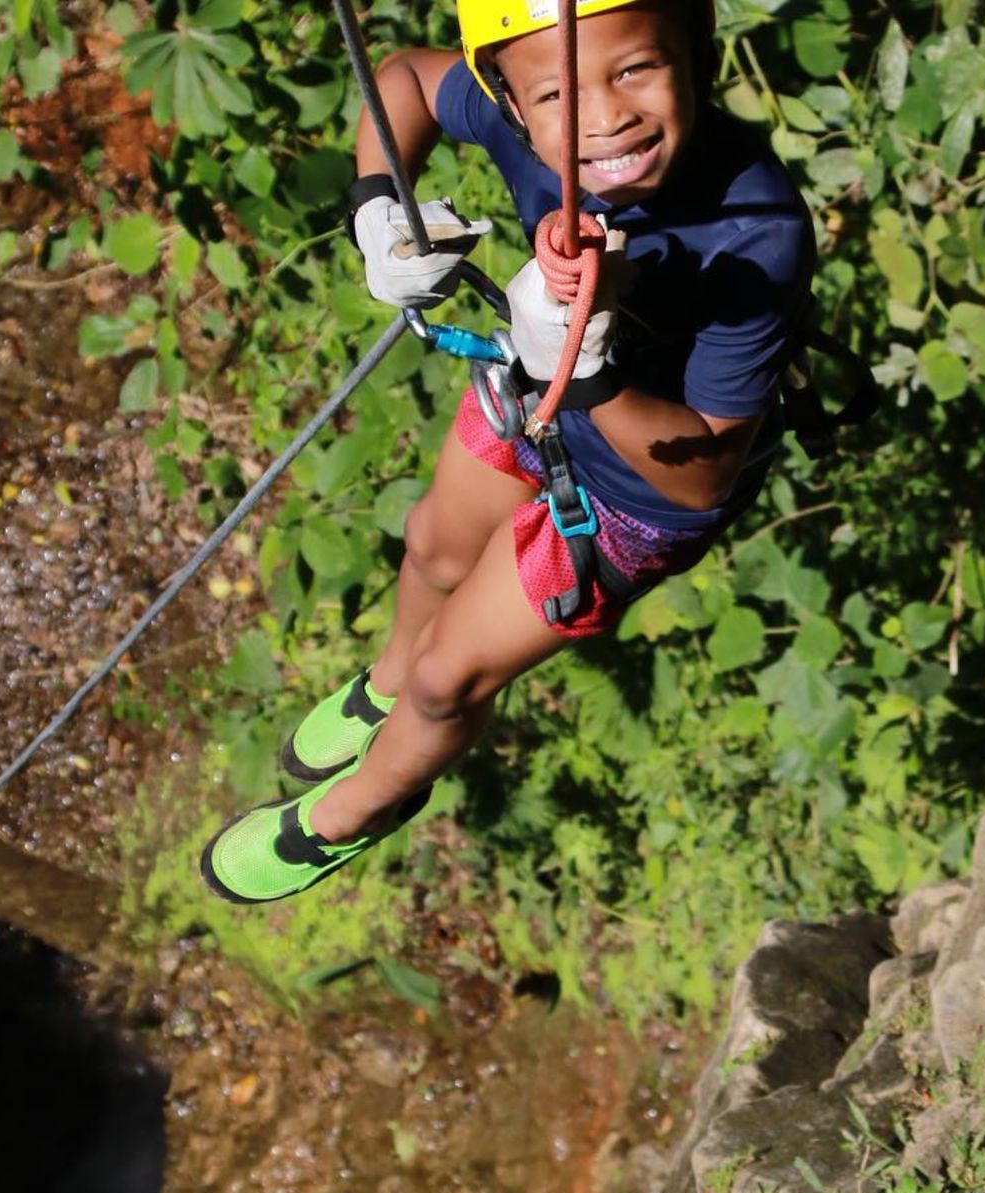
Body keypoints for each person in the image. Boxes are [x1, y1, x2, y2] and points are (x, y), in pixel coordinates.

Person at [201, 0, 816, 903]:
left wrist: (594, 370)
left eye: (637, 69)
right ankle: (382, 686)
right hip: (535, 396)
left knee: (450, 679)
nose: (607, 117)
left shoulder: (755, 232)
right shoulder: (519, 112)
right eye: (560, 92)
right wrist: (378, 211)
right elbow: (405, 79)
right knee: (431, 548)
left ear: (696, 48)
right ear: (511, 104)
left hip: (637, 491)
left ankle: (356, 810)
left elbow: (703, 475)